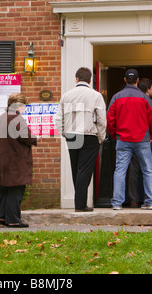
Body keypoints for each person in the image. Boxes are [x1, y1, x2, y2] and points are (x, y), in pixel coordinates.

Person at [55, 67, 107, 212]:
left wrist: (65, 133)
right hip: (89, 135)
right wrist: (101, 136)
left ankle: (79, 202)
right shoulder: (95, 95)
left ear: (76, 79)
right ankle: (80, 204)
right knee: (85, 170)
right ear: (90, 80)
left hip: (72, 135)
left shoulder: (66, 95)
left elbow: (59, 118)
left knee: (75, 169)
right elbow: (102, 119)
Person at [107, 69, 152, 210]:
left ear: (125, 80)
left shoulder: (117, 97)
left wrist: (114, 134)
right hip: (142, 139)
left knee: (120, 170)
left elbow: (110, 119)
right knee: (148, 170)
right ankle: (151, 201)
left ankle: (117, 203)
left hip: (123, 139)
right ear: (137, 80)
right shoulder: (144, 98)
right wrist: (150, 135)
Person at [0, 93, 37, 227]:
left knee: (8, 189)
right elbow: (27, 137)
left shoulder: (0, 119)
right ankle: (13, 220)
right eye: (24, 106)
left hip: (4, 161)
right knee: (16, 190)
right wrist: (35, 138)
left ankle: (2, 216)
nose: (24, 109)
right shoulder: (16, 119)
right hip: (17, 161)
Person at [127, 78, 152, 207]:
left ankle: (133, 199)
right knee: (149, 169)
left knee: (134, 170)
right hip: (149, 139)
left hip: (133, 138)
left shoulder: (132, 102)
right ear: (148, 89)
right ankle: (149, 199)